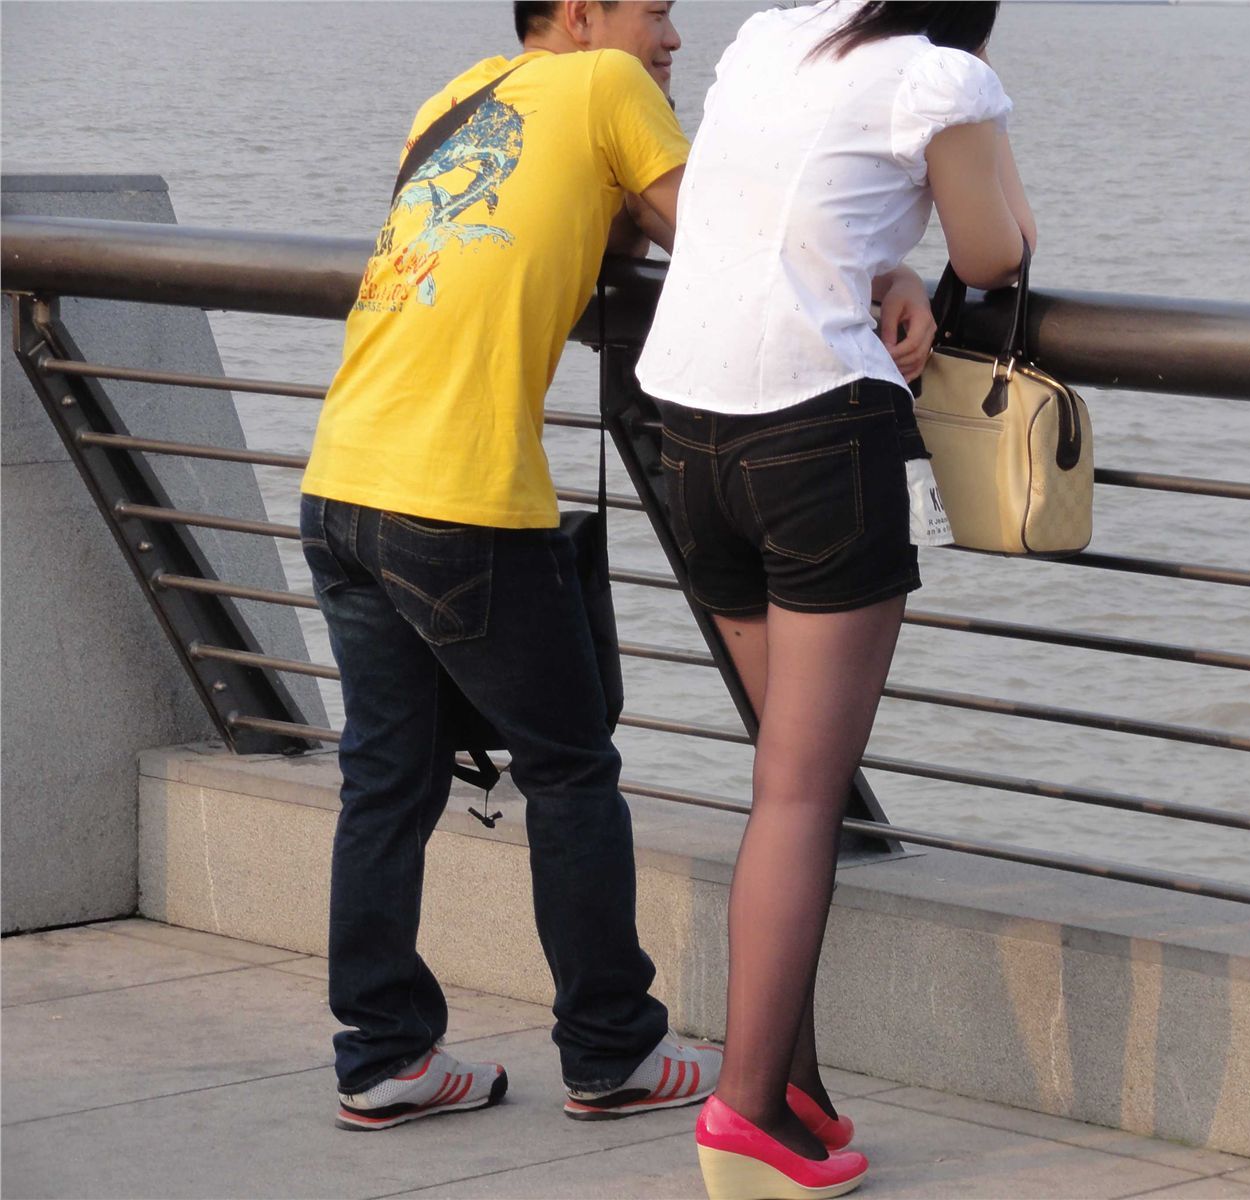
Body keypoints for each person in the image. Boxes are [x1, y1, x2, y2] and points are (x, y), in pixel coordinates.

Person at [299, 0, 723, 1132]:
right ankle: (613, 1047)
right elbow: (722, 241)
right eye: (657, 13)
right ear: (583, 15)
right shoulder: (606, 89)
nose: (675, 38)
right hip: (459, 501)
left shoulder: (453, 100)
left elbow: (572, 233)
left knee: (385, 779)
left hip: (340, 483)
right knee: (571, 771)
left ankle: (384, 1054)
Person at [636, 1, 1035, 1194]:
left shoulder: (769, 39)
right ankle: (745, 1114)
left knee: (780, 786)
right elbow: (996, 253)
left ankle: (793, 1089)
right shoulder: (940, 79)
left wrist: (883, 258)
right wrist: (950, 236)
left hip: (688, 431)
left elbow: (771, 211)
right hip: (816, 436)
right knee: (802, 796)